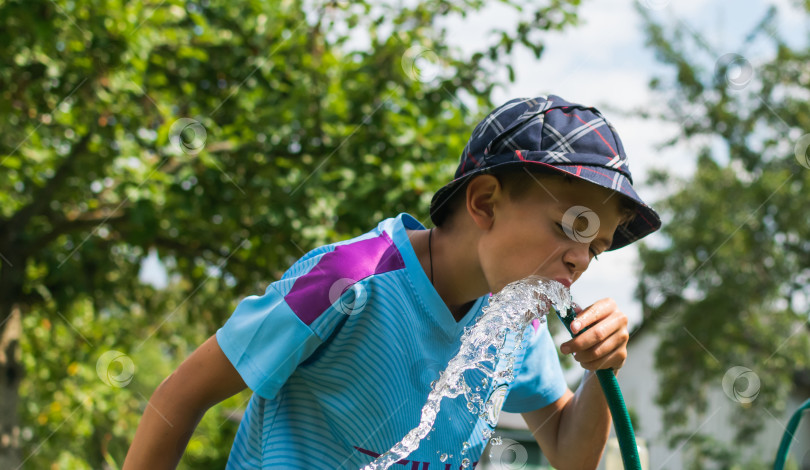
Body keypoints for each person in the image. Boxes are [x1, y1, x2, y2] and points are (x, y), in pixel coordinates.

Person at [123, 95, 661, 470]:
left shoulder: (512, 322)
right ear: (485, 202)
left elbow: (569, 453)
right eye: (572, 227)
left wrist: (601, 371)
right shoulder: (348, 280)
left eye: (597, 245)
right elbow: (182, 395)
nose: (581, 260)